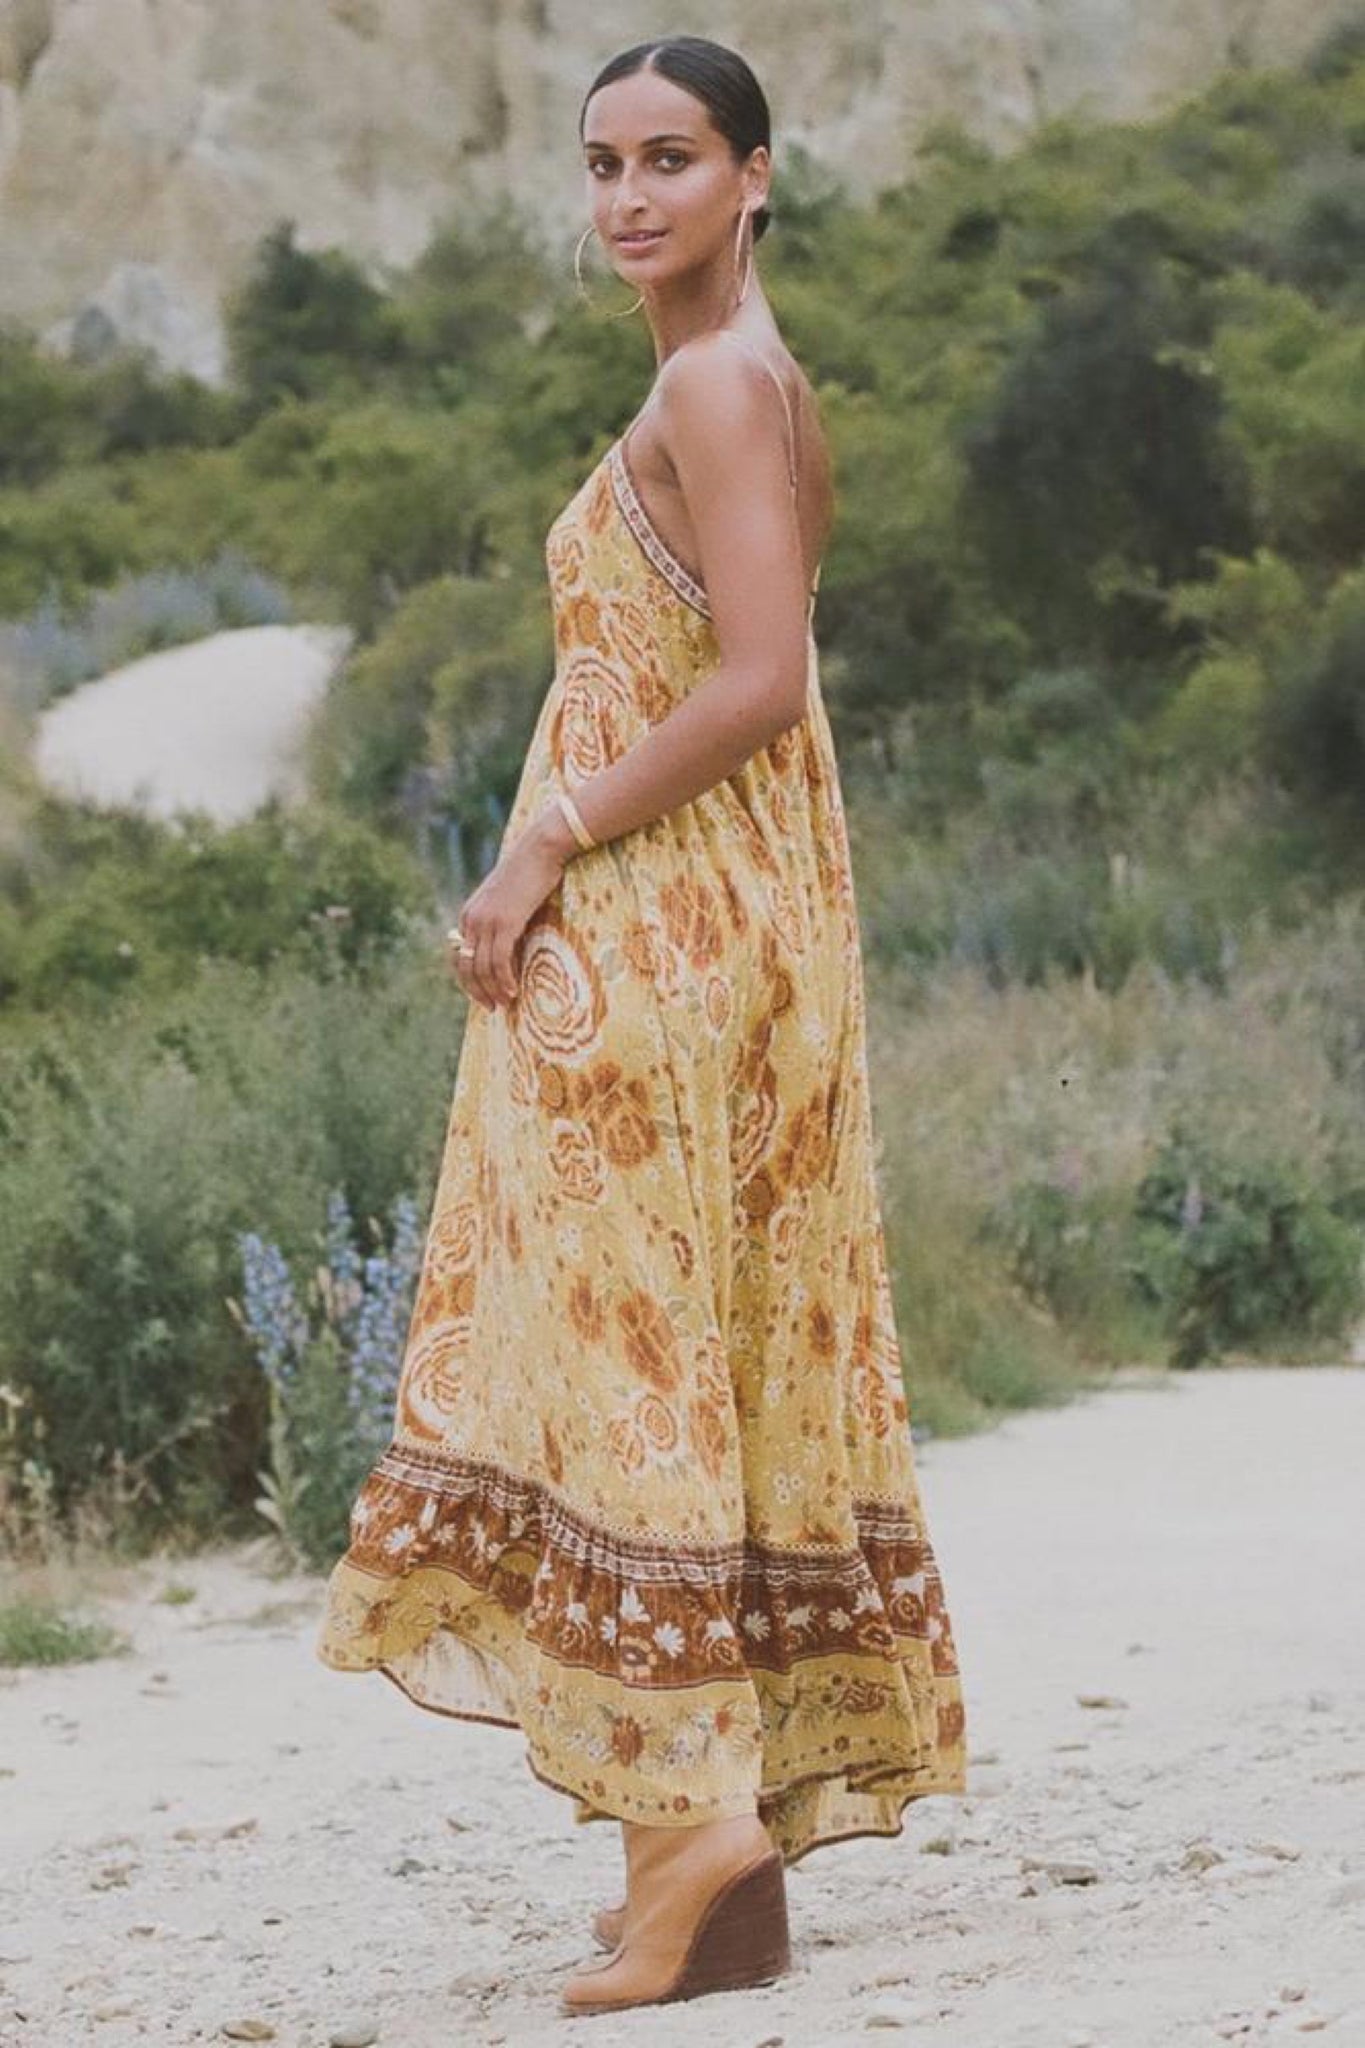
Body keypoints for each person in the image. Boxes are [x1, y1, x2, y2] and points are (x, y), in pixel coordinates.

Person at [314, 32, 968, 2021]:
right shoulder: (736, 380)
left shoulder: (718, 384)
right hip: (734, 926)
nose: (626, 199)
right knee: (681, 1358)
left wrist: (540, 844)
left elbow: (759, 676)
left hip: (665, 932)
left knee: (626, 1368)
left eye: (669, 160)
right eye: (600, 164)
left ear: (754, 174)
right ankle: (698, 1852)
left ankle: (693, 1840)